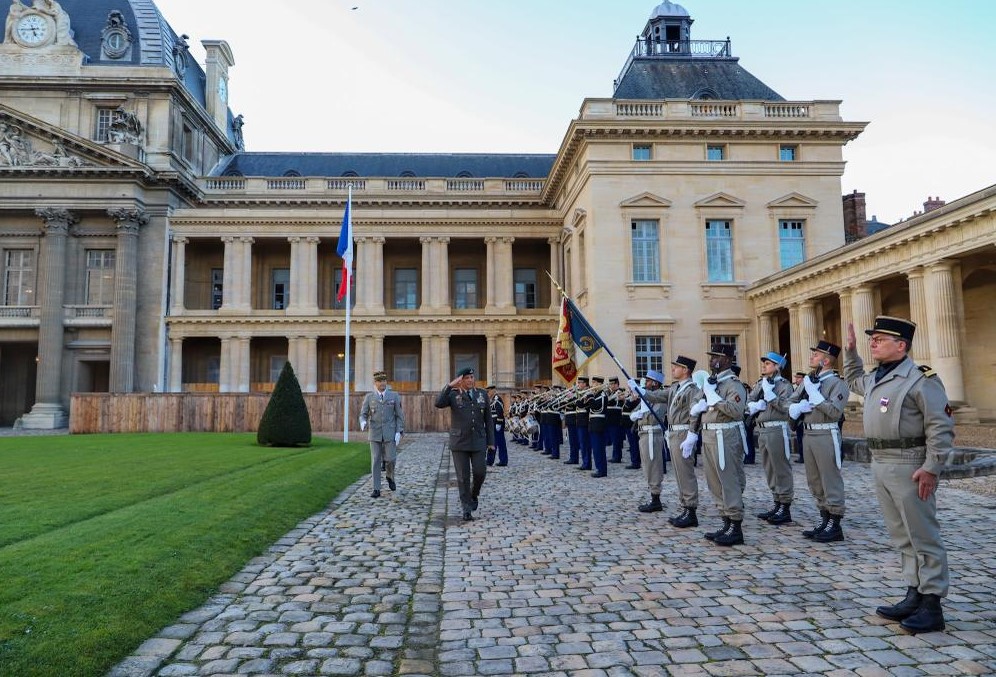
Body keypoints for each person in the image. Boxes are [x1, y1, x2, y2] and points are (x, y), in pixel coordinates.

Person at [844, 316, 953, 634]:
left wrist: (932, 467)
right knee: (901, 534)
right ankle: (914, 591)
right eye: (872, 338)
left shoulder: (921, 379)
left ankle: (932, 604)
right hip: (881, 460)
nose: (873, 342)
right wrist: (851, 352)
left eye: (880, 338)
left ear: (901, 345)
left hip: (910, 463)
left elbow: (941, 426)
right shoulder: (878, 377)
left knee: (923, 534)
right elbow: (852, 381)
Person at [788, 340, 850, 543]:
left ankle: (835, 523)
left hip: (826, 433)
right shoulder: (809, 381)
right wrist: (796, 408)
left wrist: (816, 397)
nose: (812, 357)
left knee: (829, 478)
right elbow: (791, 401)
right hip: (809, 434)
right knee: (814, 480)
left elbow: (834, 411)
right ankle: (824, 518)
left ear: (826, 360)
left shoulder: (837, 383)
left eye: (816, 354)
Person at [691, 344, 748, 546]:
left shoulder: (733, 384)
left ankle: (735, 525)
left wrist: (715, 399)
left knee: (728, 479)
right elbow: (696, 406)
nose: (712, 359)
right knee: (714, 481)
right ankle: (726, 521)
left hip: (725, 434)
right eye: (711, 356)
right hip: (708, 435)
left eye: (716, 356)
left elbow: (735, 410)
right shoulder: (712, 382)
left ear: (728, 359)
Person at [435, 367, 495, 521]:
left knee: (480, 472)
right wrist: (449, 386)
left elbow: (488, 419)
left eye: (472, 377)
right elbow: (438, 403)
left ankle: (474, 495)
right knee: (463, 477)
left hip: (478, 441)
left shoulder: (482, 394)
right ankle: (466, 508)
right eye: (467, 378)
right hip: (460, 442)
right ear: (460, 380)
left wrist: (491, 442)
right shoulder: (453, 395)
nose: (470, 380)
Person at [748, 352, 795, 525]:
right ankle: (777, 501)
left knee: (780, 467)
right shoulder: (760, 383)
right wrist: (754, 405)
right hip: (762, 430)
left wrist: (771, 397)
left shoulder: (784, 385)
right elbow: (750, 400)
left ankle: (785, 505)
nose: (764, 366)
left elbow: (786, 406)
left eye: (768, 363)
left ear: (777, 367)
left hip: (777, 427)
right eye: (764, 363)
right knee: (769, 468)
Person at [626, 369, 668, 512]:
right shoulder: (647, 397)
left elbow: (655, 415)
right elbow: (632, 414)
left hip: (652, 433)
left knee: (653, 465)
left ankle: (656, 499)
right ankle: (653, 495)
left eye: (648, 381)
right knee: (647, 466)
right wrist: (639, 412)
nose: (646, 383)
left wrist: (643, 412)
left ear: (655, 383)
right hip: (643, 434)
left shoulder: (661, 398)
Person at [359, 370, 405, 498]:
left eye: (384, 380)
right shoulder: (369, 397)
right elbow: (363, 414)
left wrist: (399, 431)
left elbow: (399, 415)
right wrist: (362, 422)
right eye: (379, 381)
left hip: (390, 432)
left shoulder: (394, 396)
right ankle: (376, 488)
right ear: (375, 383)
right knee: (375, 460)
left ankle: (390, 476)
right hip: (375, 433)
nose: (382, 383)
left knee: (391, 458)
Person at [486, 384, 508, 466]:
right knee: (491, 442)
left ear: (493, 390)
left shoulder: (497, 399)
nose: (488, 393)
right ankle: (489, 460)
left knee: (500, 442)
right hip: (492, 423)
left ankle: (503, 461)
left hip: (497, 423)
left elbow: (500, 412)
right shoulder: (491, 399)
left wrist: (498, 423)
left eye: (489, 391)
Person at [792, 371, 807, 463]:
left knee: (803, 438)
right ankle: (802, 455)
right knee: (799, 438)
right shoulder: (797, 389)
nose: (796, 379)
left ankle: (804, 456)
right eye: (796, 377)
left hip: (803, 418)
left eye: (798, 378)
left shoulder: (806, 389)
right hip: (797, 418)